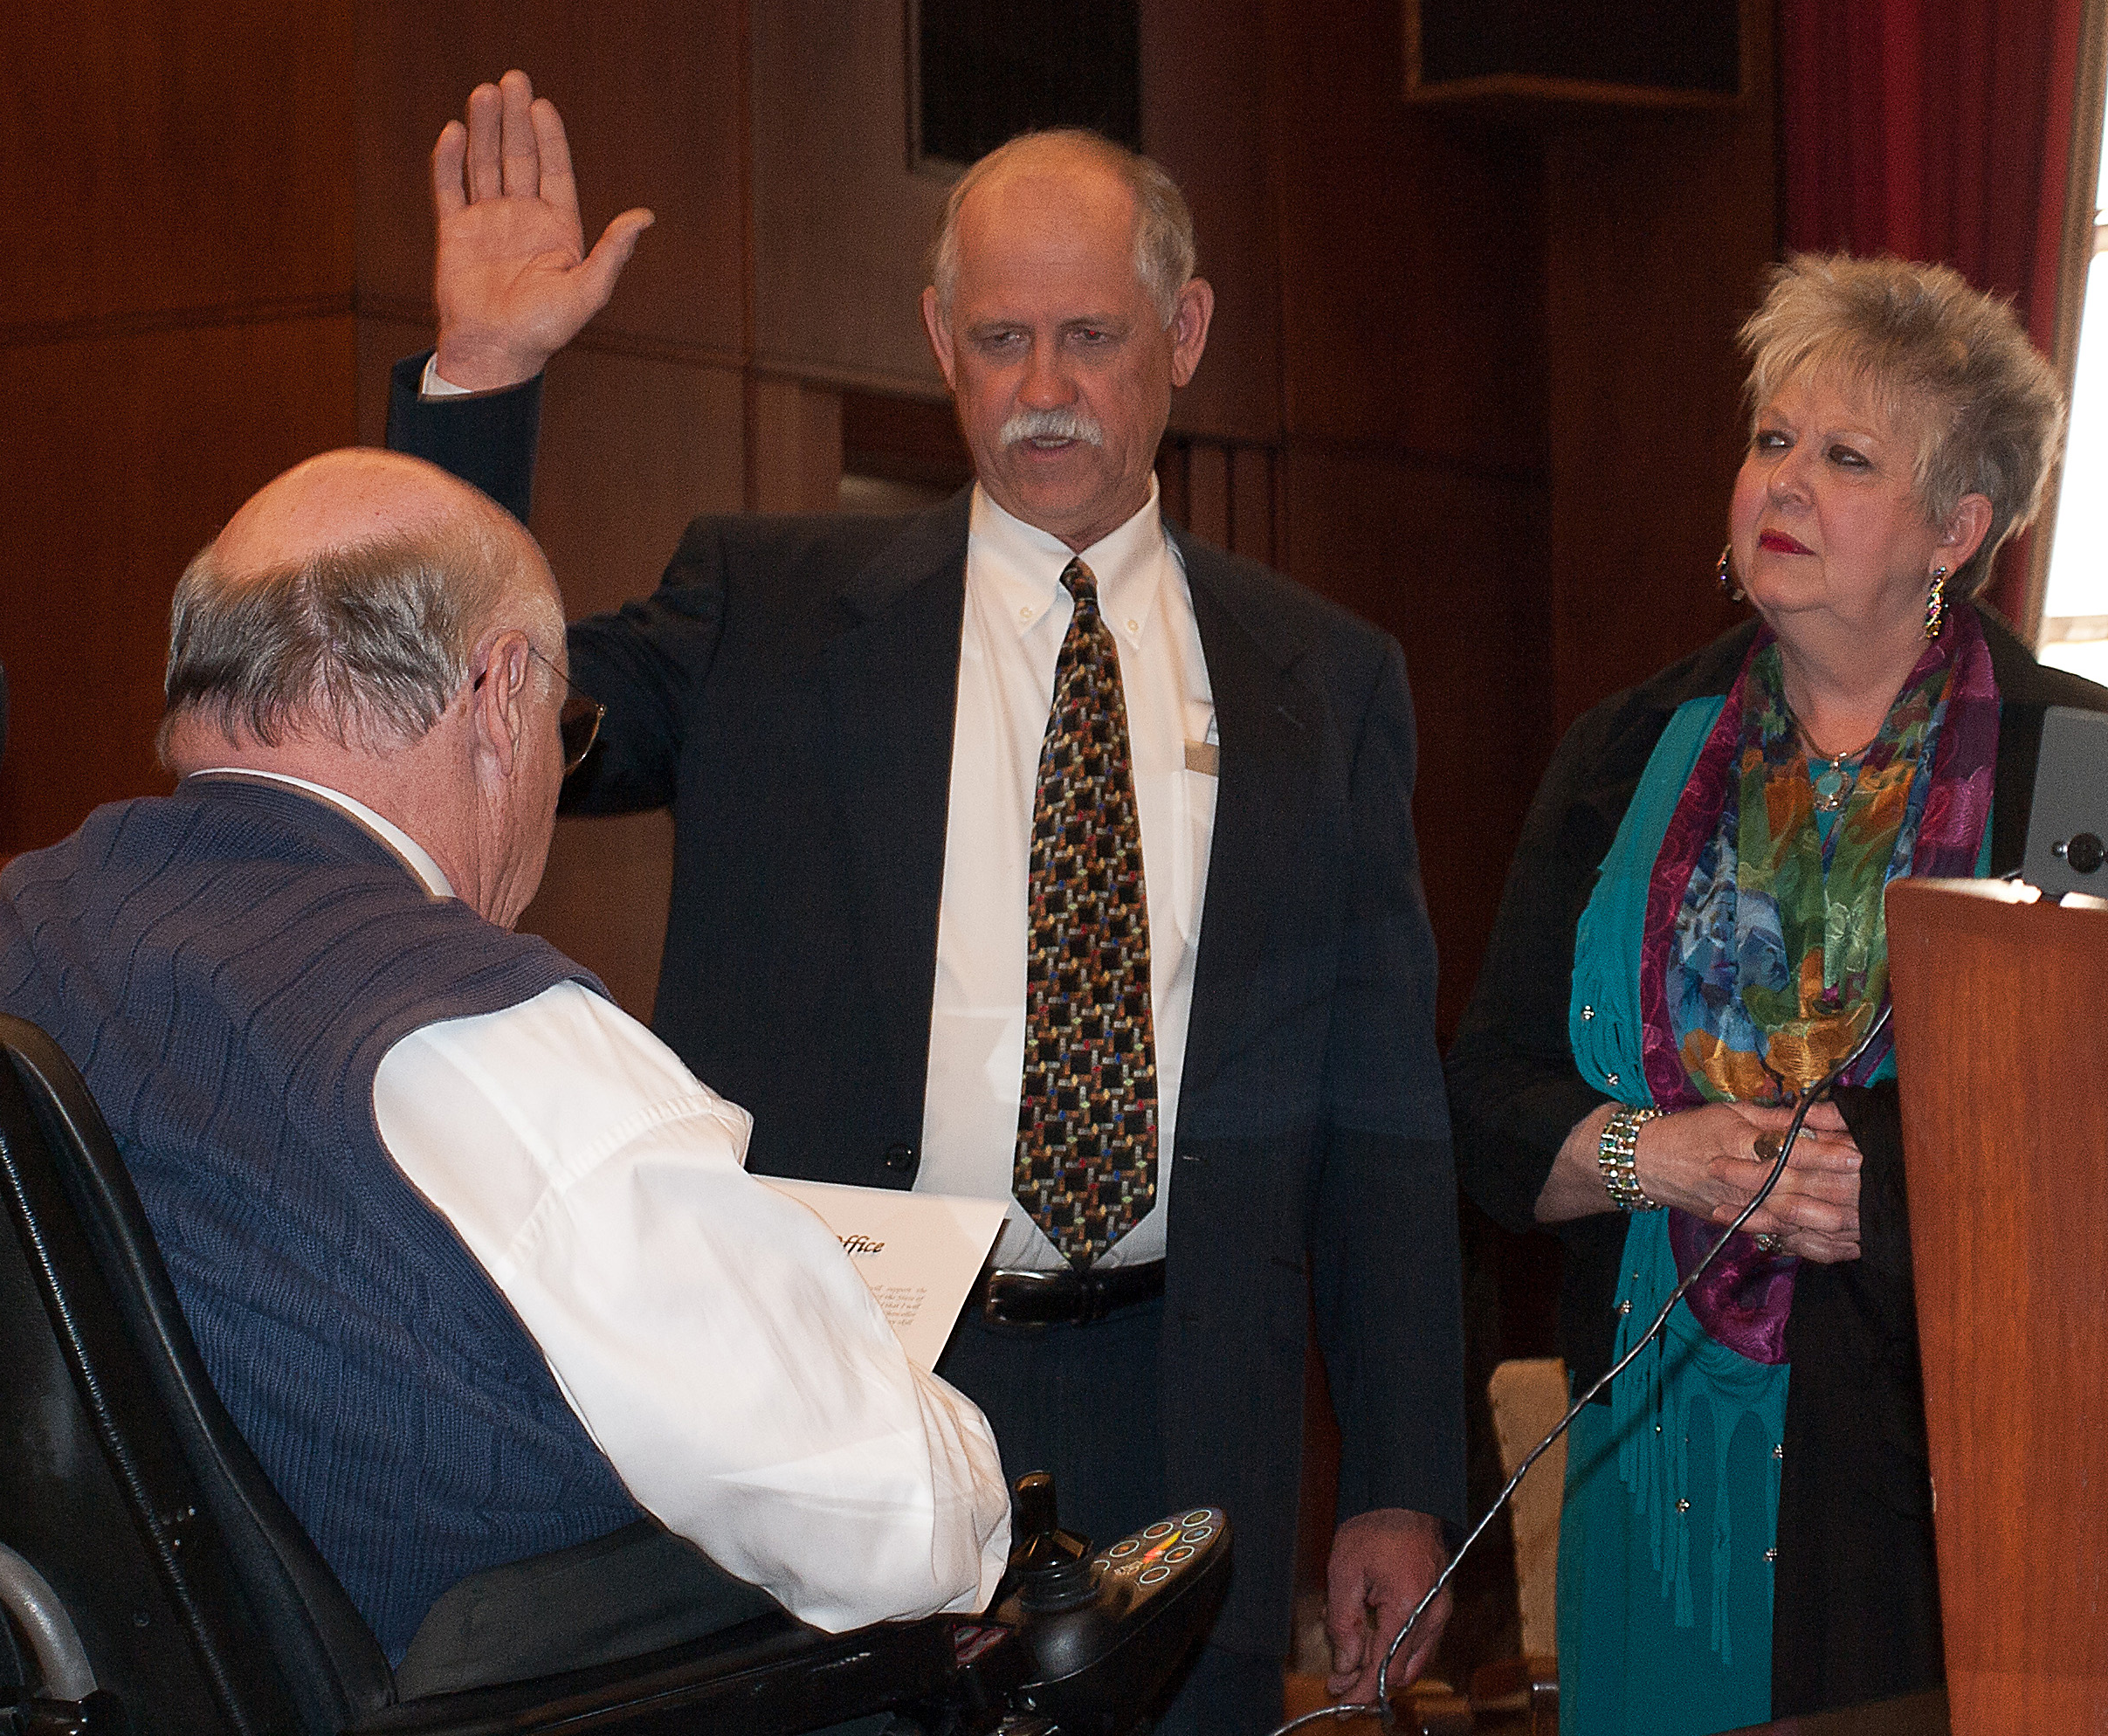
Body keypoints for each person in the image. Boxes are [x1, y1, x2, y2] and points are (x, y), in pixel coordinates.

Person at [386, 72, 1465, 1731]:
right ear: (935, 338)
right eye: (998, 339)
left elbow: (1383, 1112)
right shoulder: (763, 614)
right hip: (855, 1400)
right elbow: (469, 706)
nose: (1042, 390)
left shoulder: (1325, 679)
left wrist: (1400, 1474)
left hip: (1192, 1422)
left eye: (1090, 338)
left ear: (1182, 333)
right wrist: (481, 385)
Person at [0, 449, 1009, 1693]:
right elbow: (897, 1527)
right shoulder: (496, 1048)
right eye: (568, 728)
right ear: (502, 693)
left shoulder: (28, 934)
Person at [1448, 253, 2108, 1734]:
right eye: (1771, 441)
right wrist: (1654, 1153)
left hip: (1943, 1485)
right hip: (1647, 1450)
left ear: (1958, 528)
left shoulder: (2083, 765)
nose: (1784, 484)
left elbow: (2091, 1136)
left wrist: (1881, 1184)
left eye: (1846, 457)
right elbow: (1485, 1094)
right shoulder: (1624, 750)